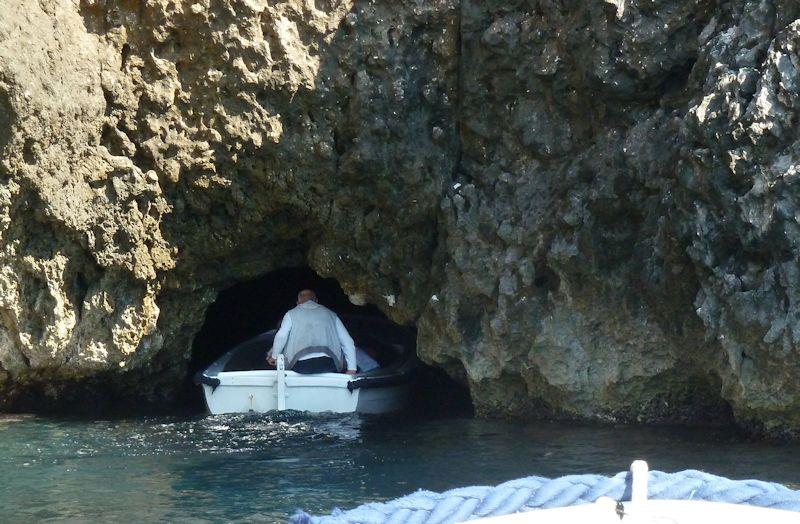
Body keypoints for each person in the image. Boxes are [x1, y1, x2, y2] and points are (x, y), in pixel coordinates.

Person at [267, 289, 357, 375]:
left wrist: (274, 356)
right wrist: (352, 369)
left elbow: (281, 336)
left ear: (298, 303)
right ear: (316, 301)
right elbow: (347, 341)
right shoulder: (331, 314)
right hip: (328, 364)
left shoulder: (291, 314)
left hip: (300, 365)